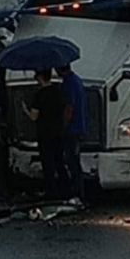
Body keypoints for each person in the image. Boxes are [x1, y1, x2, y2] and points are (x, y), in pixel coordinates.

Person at [21, 68, 69, 200]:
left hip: (45, 133)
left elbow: (34, 116)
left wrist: (25, 110)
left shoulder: (39, 95)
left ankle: (51, 191)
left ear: (40, 77)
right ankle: (65, 189)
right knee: (59, 161)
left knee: (48, 163)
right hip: (58, 131)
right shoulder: (58, 91)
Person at [58, 64, 87, 207]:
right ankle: (78, 193)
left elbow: (69, 107)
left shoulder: (68, 84)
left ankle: (77, 194)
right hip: (79, 126)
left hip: (72, 129)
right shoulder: (77, 80)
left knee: (72, 162)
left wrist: (63, 125)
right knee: (74, 161)